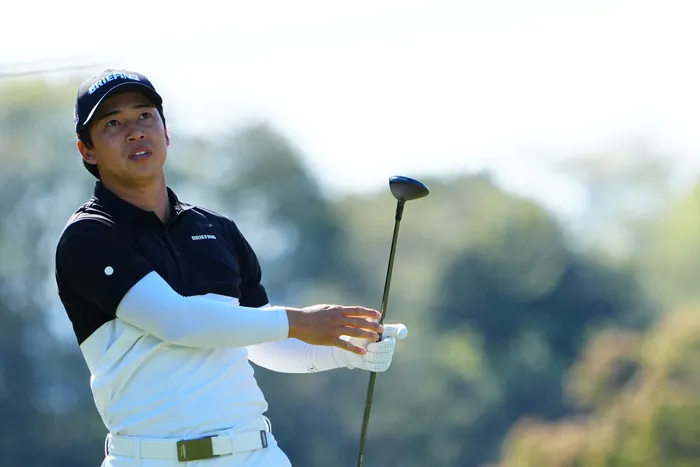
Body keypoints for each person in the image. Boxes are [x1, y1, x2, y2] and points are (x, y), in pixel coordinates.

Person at [54, 69, 408, 467]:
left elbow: (260, 341)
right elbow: (178, 322)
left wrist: (347, 348)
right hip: (148, 459)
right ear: (87, 150)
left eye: (145, 116)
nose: (135, 132)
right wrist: (300, 321)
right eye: (113, 123)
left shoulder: (217, 229)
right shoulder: (89, 236)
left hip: (255, 454)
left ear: (166, 132)